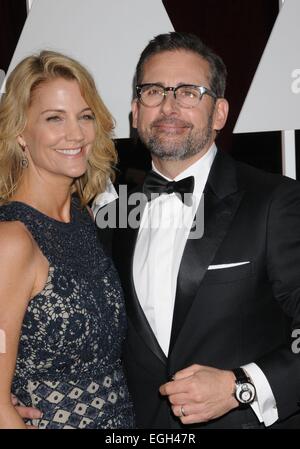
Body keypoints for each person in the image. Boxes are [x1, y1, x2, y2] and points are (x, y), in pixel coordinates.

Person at [97, 32, 300, 429]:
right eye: (154, 91)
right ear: (136, 112)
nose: (169, 106)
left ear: (219, 113)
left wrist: (243, 386)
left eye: (189, 92)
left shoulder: (275, 201)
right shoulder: (113, 215)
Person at [0, 51, 135, 429]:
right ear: (20, 133)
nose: (75, 134)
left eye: (85, 116)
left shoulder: (83, 216)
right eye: (54, 118)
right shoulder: (12, 239)